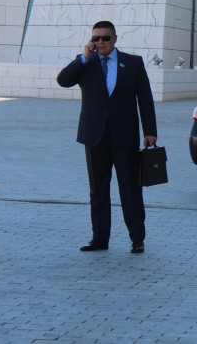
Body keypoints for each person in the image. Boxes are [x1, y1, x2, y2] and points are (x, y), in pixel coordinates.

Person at [57, 21, 157, 254]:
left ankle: (137, 239)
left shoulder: (133, 63)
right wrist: (84, 58)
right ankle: (99, 239)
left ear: (115, 39)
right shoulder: (85, 62)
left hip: (125, 137)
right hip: (95, 136)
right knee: (98, 190)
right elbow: (63, 81)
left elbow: (145, 98)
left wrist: (150, 131)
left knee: (130, 189)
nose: (100, 42)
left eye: (105, 38)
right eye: (96, 38)